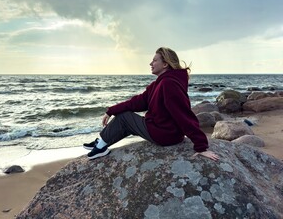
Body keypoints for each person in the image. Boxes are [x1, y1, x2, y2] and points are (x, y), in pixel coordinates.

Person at [83, 47, 219, 161]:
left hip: (165, 134)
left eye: (154, 60)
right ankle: (102, 141)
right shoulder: (158, 84)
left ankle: (100, 147)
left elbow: (183, 114)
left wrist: (201, 146)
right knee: (126, 120)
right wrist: (111, 110)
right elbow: (138, 102)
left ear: (165, 64)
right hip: (162, 130)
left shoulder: (168, 84)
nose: (150, 63)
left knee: (125, 118)